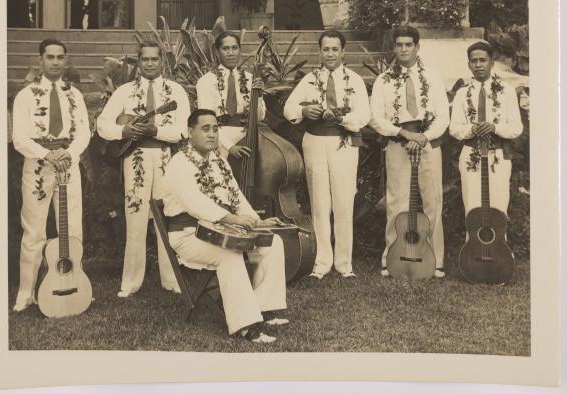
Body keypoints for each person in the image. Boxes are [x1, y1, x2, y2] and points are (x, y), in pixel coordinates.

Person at [162, 109, 288, 343]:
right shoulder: (179, 164)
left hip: (221, 230)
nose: (212, 134)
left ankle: (263, 308)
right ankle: (246, 326)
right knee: (229, 255)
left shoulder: (219, 161)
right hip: (189, 236)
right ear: (190, 133)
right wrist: (232, 219)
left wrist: (257, 222)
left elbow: (236, 197)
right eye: (205, 129)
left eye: (215, 129)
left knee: (272, 242)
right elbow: (196, 204)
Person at [97, 40, 190, 297]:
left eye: (154, 59)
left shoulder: (176, 92)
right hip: (134, 156)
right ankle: (131, 281)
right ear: (138, 62)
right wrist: (123, 130)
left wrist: (157, 130)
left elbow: (184, 129)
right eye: (145, 59)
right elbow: (102, 124)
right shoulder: (124, 92)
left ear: (163, 62)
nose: (150, 64)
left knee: (167, 215)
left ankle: (170, 279)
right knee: (135, 216)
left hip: (165, 157)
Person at [283, 30, 370, 279]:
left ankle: (344, 263)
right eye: (325, 49)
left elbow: (364, 115)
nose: (330, 54)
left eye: (335, 49)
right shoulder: (309, 79)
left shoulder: (354, 80)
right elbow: (289, 108)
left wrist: (343, 118)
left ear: (343, 52)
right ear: (319, 52)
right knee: (319, 202)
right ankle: (321, 262)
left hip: (342, 142)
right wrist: (305, 110)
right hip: (315, 142)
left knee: (344, 202)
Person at [12, 38, 90, 311]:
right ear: (40, 60)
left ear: (65, 61)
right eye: (50, 57)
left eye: (60, 57)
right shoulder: (26, 95)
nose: (55, 62)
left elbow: (83, 133)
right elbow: (19, 138)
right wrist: (48, 155)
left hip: (68, 165)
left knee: (73, 228)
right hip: (38, 167)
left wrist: (68, 154)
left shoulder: (74, 95)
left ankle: (76, 284)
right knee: (34, 231)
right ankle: (26, 293)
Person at [369, 26, 449, 278]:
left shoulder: (433, 77)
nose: (403, 49)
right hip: (398, 143)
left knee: (432, 200)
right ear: (394, 48)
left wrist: (424, 137)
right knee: (397, 201)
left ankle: (435, 260)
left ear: (417, 46)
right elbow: (375, 117)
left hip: (427, 144)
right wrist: (404, 134)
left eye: (408, 44)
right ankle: (391, 258)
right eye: (399, 45)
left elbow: (443, 117)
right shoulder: (384, 80)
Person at [449, 41, 523, 219]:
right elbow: (454, 129)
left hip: (498, 155)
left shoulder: (506, 91)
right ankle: (472, 246)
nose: (478, 64)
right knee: (472, 210)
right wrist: (473, 129)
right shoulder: (462, 93)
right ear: (469, 65)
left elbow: (516, 127)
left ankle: (499, 246)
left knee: (498, 210)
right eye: (474, 61)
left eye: (483, 60)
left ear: (492, 63)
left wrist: (494, 127)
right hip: (470, 155)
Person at [196, 32, 265, 159]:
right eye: (225, 49)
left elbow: (259, 118)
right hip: (218, 141)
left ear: (239, 50)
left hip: (247, 140)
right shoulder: (206, 81)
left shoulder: (250, 79)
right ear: (217, 52)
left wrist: (259, 96)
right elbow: (206, 120)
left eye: (234, 48)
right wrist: (229, 146)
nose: (231, 53)